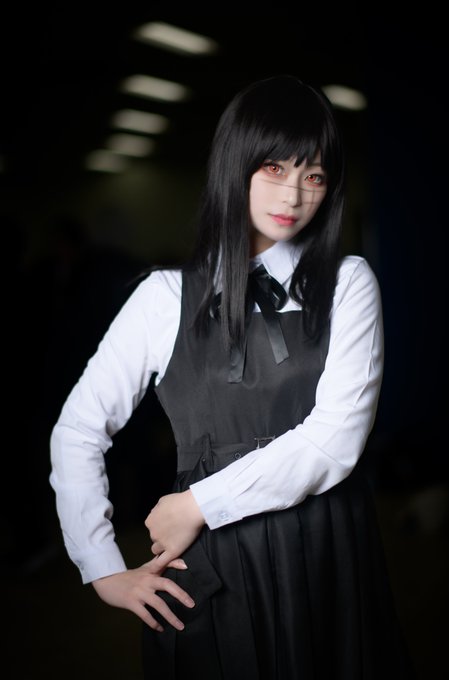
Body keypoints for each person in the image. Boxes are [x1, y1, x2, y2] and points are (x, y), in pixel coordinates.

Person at [50, 75, 415, 678]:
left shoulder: (346, 281)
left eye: (314, 176)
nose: (293, 195)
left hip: (325, 548)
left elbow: (335, 439)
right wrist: (102, 566)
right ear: (235, 165)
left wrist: (199, 503)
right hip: (211, 565)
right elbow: (77, 430)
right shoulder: (163, 297)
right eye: (274, 168)